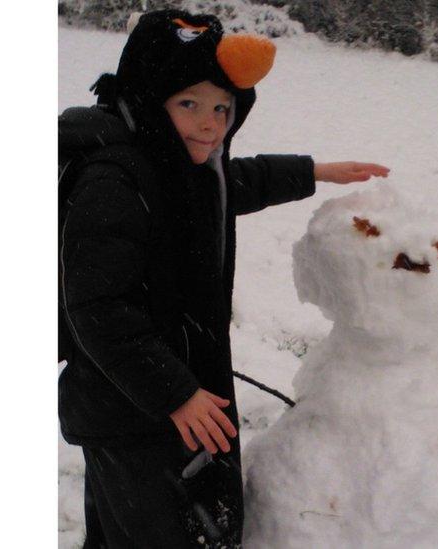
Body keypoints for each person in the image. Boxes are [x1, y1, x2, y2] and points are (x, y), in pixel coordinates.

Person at [58, 9, 389, 548]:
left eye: (222, 107)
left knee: (124, 532)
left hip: (154, 398)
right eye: (189, 103)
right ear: (149, 96)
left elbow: (232, 183)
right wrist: (176, 394)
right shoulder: (114, 181)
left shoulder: (173, 165)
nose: (210, 123)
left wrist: (313, 172)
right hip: (132, 407)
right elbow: (98, 307)